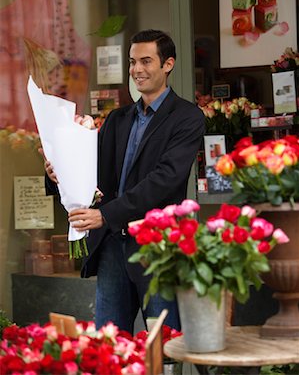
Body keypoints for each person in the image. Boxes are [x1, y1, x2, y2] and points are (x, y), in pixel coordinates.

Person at [45, 29, 205, 334]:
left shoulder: (187, 117)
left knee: (163, 347)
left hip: (156, 249)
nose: (136, 70)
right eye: (132, 62)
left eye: (146, 61)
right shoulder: (118, 119)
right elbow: (91, 174)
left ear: (168, 64)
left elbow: (165, 179)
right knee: (109, 344)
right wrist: (57, 174)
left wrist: (105, 214)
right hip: (112, 248)